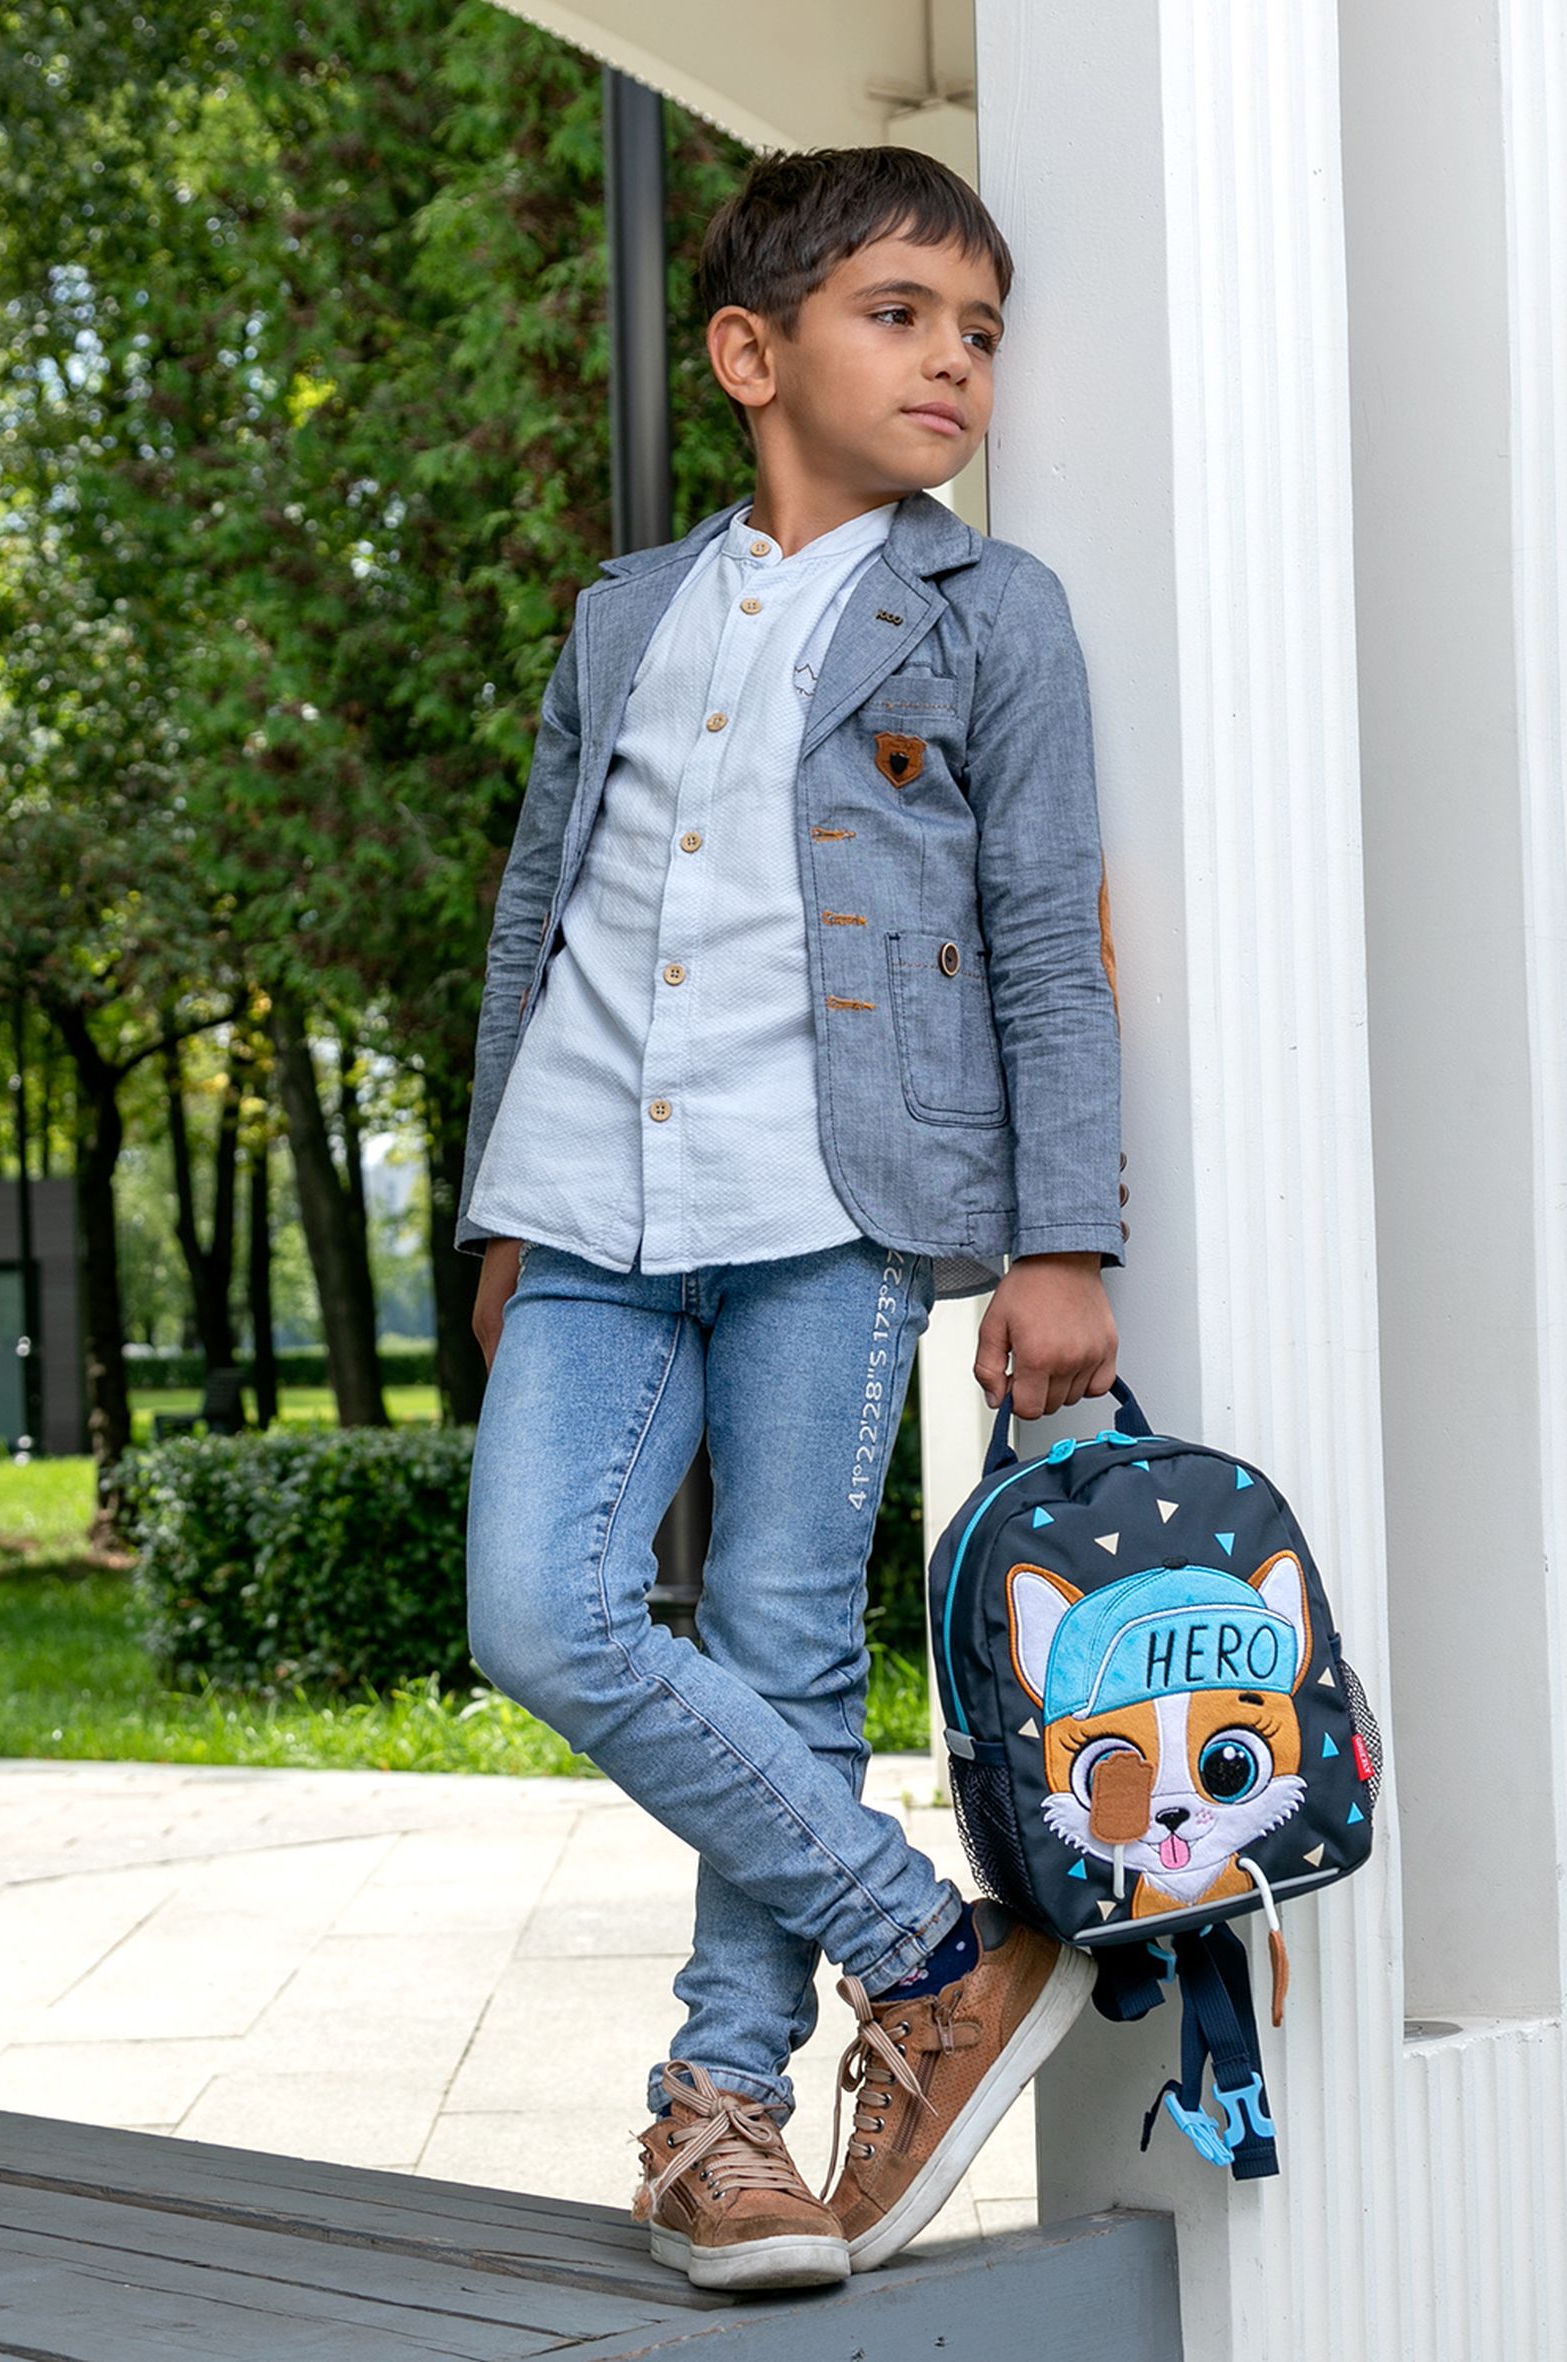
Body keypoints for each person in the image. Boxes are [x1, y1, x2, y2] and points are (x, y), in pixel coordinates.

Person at [454, 145, 1126, 2293]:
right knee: (539, 1614)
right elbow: (531, 918)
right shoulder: (620, 615)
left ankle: (720, 2113)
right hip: (580, 1190)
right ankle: (930, 1951)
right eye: (899, 312)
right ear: (752, 353)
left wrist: (1061, 1237)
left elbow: (1039, 935)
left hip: (831, 1200)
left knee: (775, 1646)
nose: (952, 359)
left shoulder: (989, 613)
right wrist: (491, 1196)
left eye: (979, 330)